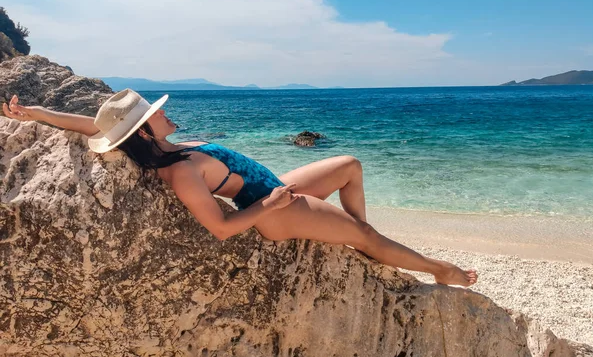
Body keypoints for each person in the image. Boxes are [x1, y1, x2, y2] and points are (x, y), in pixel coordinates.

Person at [2, 89, 478, 287]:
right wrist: (271, 203)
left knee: (350, 164)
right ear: (146, 131)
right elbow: (222, 228)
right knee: (368, 239)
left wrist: (36, 114)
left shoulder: (165, 146)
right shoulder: (182, 172)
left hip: (273, 187)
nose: (164, 112)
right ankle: (436, 268)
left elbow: (93, 126)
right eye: (154, 114)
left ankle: (358, 235)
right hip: (271, 209)